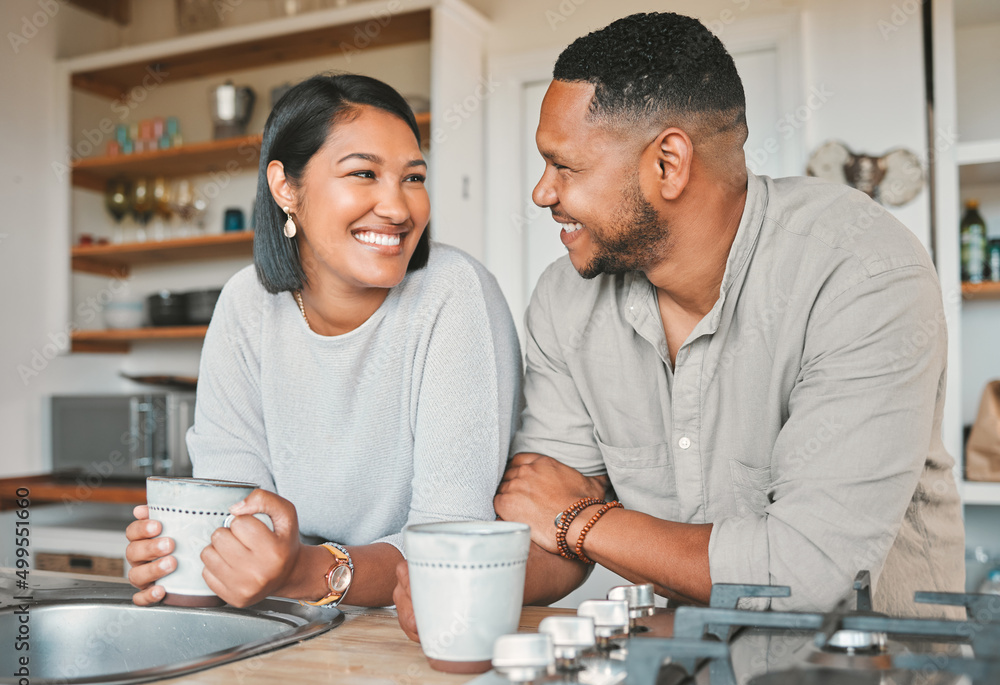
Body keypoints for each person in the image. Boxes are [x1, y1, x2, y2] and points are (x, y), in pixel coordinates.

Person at [486, 12, 964, 618]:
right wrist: (457, 583)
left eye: (566, 167)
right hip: (673, 682)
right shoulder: (565, 297)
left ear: (668, 164)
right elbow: (542, 524)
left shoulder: (862, 272)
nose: (542, 193)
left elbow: (802, 573)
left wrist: (581, 520)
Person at [125, 73, 524, 610]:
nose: (399, 208)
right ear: (286, 187)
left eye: (413, 178)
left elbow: (450, 543)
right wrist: (187, 560)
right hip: (289, 624)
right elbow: (235, 512)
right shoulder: (245, 303)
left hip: (423, 627)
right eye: (363, 173)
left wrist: (306, 571)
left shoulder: (454, 293)